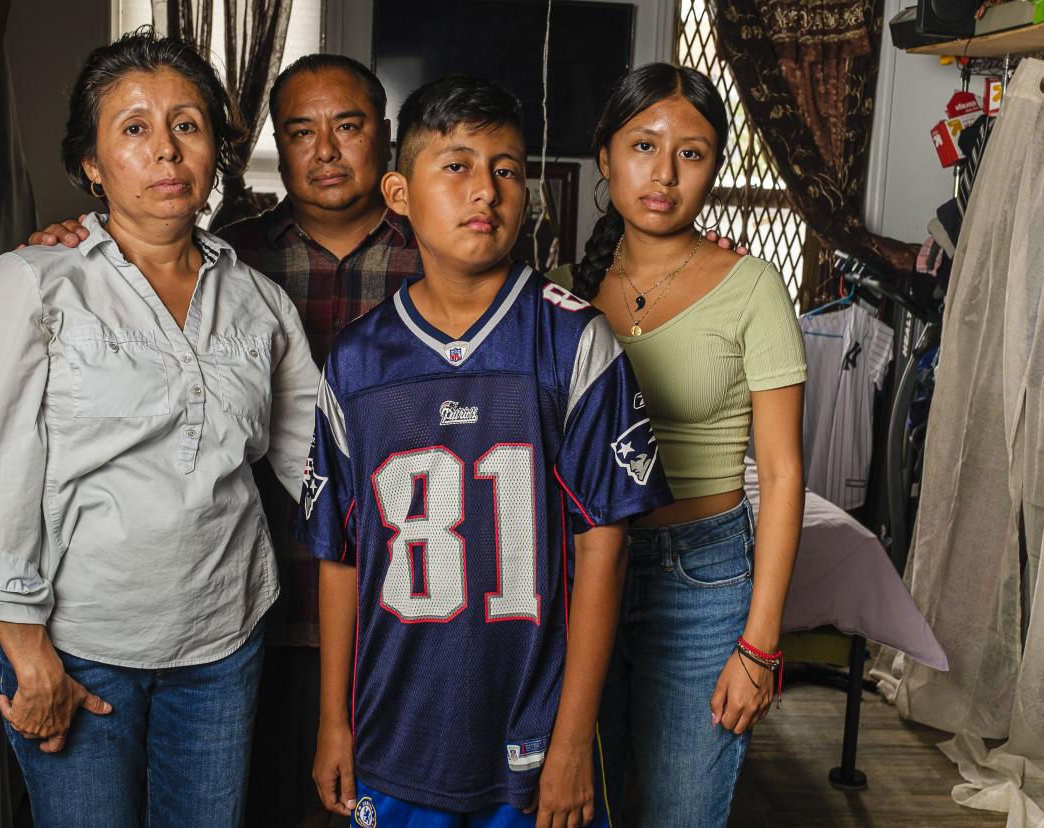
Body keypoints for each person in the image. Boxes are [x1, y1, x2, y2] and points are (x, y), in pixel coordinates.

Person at [0, 29, 319, 828]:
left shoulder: (258, 301)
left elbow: (319, 463)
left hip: (223, 644)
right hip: (76, 651)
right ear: (91, 162)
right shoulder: (29, 287)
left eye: (187, 124)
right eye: (134, 128)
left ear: (216, 149)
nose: (166, 150)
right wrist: (28, 656)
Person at [301, 74, 672, 828]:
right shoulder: (356, 362)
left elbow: (605, 548)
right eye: (458, 166)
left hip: (532, 737)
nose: (488, 191)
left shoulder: (572, 342)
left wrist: (572, 743)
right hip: (394, 731)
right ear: (399, 192)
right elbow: (338, 556)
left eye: (507, 170)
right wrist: (334, 720)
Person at [547, 63, 806, 827]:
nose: (664, 173)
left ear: (715, 167)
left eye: (691, 153)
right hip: (580, 571)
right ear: (605, 156)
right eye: (643, 146)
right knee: (575, 806)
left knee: (677, 812)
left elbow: (785, 473)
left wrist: (759, 646)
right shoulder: (557, 289)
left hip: (703, 581)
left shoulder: (751, 286)